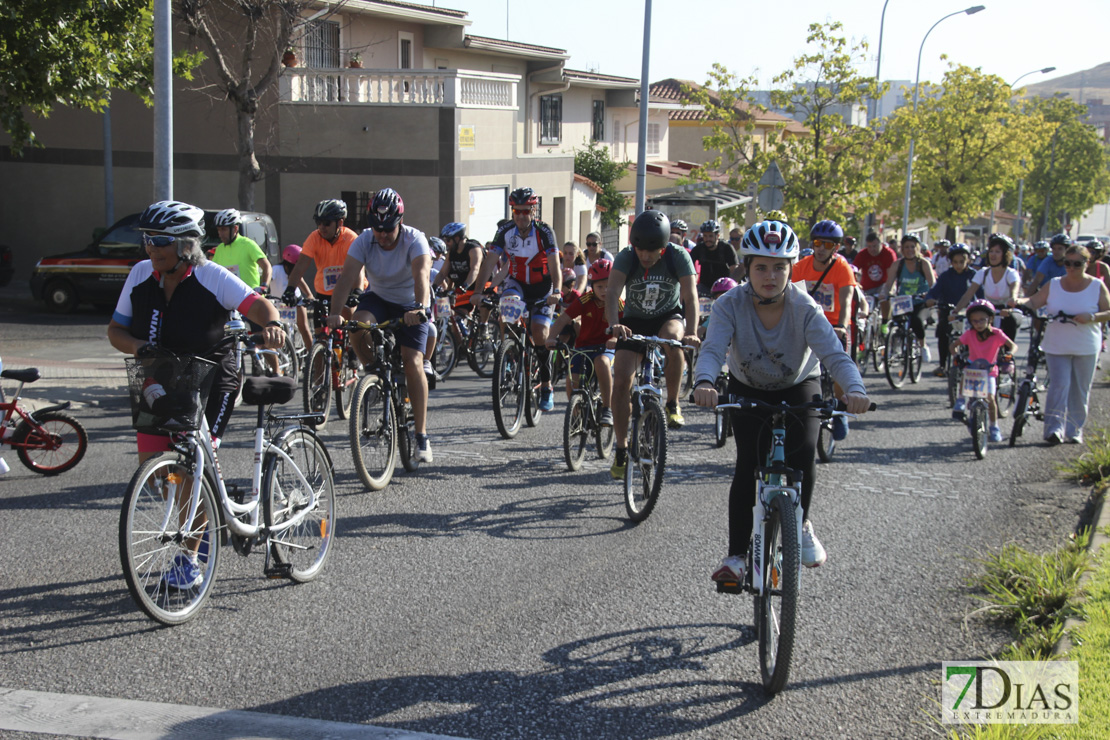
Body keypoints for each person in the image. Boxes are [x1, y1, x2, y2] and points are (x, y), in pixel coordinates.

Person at [107, 200, 286, 589]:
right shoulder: (140, 275)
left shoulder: (212, 277)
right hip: (162, 373)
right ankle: (206, 507)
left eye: (160, 241)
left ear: (186, 244)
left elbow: (257, 305)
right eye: (147, 240)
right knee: (157, 473)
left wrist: (271, 324)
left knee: (192, 463)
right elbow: (115, 331)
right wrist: (138, 346)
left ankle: (191, 556)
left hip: (215, 374)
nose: (151, 248)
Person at [692, 220, 870, 583]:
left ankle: (800, 522)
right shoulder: (729, 304)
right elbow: (712, 348)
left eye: (779, 267)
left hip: (798, 383)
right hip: (748, 388)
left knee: (804, 450)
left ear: (791, 269)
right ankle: (737, 558)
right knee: (748, 465)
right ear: (747, 268)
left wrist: (855, 390)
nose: (770, 276)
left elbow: (835, 356)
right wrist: (705, 381)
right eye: (761, 267)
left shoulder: (805, 307)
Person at [327, 188, 434, 463]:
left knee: (413, 361)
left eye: (388, 229)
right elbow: (345, 278)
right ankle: (373, 373)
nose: (383, 235)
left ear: (399, 222)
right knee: (356, 325)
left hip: (411, 301)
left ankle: (421, 434)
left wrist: (419, 309)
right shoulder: (364, 241)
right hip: (379, 298)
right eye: (377, 229)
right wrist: (335, 313)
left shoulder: (415, 240)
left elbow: (422, 276)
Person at [605, 210, 699, 477]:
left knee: (674, 339)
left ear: (665, 246)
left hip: (667, 316)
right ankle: (621, 449)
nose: (645, 256)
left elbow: (690, 298)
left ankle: (671, 403)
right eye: (641, 250)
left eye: (652, 251)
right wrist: (615, 324)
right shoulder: (627, 256)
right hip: (633, 320)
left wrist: (691, 331)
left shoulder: (678, 256)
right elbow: (612, 293)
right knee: (621, 379)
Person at [469, 187, 562, 412]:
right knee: (507, 311)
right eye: (516, 211)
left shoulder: (544, 231)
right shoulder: (505, 231)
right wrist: (478, 291)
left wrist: (557, 291)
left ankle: (547, 386)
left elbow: (555, 265)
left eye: (525, 211)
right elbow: (489, 262)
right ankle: (509, 354)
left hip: (542, 288)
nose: (521, 216)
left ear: (533, 210)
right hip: (517, 284)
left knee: (540, 333)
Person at [1011, 243, 1110, 445]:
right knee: (1059, 385)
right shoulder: (1054, 284)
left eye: (1077, 264)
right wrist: (1016, 303)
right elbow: (1034, 301)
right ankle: (1054, 429)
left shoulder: (1096, 286)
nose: (1071, 268)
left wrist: (1091, 317)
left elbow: (1108, 312)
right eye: (1067, 263)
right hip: (1057, 344)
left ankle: (1074, 430)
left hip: (1086, 345)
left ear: (1086, 263)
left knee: (1080, 389)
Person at [791, 219, 857, 441]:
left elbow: (847, 301)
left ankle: (839, 409)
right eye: (818, 243)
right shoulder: (801, 266)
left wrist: (842, 326)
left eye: (827, 245)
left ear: (835, 248)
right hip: (806, 322)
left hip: (833, 324)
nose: (821, 249)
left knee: (839, 364)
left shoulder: (842, 268)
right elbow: (789, 296)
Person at [546, 259, 619, 423]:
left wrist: (614, 338)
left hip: (606, 347)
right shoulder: (585, 300)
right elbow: (563, 319)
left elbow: (622, 327)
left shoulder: (618, 303)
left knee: (601, 362)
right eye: (600, 287)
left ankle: (607, 409)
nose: (604, 291)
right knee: (572, 382)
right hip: (583, 347)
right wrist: (551, 337)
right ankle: (577, 414)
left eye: (608, 286)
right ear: (592, 286)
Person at [282, 199, 365, 318]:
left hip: (349, 290)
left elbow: (358, 268)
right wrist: (290, 289)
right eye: (318, 222)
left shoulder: (351, 239)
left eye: (326, 223)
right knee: (319, 332)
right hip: (324, 292)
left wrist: (357, 291)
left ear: (340, 223)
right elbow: (300, 266)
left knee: (351, 324)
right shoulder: (314, 238)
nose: (322, 227)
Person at [950, 300, 1016, 442]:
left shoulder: (997, 334)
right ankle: (960, 401)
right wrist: (956, 356)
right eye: (974, 321)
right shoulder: (969, 334)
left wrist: (1008, 354)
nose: (978, 324)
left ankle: (994, 426)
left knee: (990, 398)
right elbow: (953, 345)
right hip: (973, 369)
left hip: (989, 370)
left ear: (990, 319)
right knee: (965, 374)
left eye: (982, 320)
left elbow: (1012, 345)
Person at [955, 233, 1022, 341]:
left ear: (1005, 254)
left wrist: (1012, 301)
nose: (993, 255)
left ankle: (1008, 354)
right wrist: (956, 311)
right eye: (991, 251)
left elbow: (1015, 288)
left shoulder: (1011, 273)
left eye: (997, 252)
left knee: (1011, 320)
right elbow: (968, 295)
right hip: (988, 310)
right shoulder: (983, 272)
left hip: (1007, 310)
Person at [924, 244, 978, 376]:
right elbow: (934, 292)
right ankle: (943, 365)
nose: (958, 265)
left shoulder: (974, 275)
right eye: (955, 262)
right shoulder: (945, 276)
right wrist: (930, 299)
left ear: (968, 260)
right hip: (948, 311)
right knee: (943, 331)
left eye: (962, 262)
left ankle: (975, 361)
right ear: (950, 262)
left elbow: (981, 294)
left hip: (969, 312)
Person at [432, 222, 486, 347]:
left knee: (462, 312)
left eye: (448, 240)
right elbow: (442, 274)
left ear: (457, 238)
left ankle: (483, 326)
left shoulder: (473, 249)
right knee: (449, 314)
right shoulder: (452, 252)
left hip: (479, 285)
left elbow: (475, 270)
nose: (446, 243)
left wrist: (465, 286)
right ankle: (460, 343)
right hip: (461, 288)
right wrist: (433, 287)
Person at [881, 234, 936, 354]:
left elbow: (933, 285)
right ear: (902, 249)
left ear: (918, 248)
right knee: (895, 322)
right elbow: (888, 284)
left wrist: (928, 295)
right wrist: (886, 294)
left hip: (920, 302)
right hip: (903, 301)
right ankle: (893, 347)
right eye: (906, 247)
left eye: (912, 247)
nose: (909, 250)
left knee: (916, 321)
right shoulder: (898, 264)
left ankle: (923, 346)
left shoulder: (924, 264)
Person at [210, 208, 272, 291]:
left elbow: (266, 266)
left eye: (223, 229)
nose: (220, 233)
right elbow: (212, 274)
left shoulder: (248, 244)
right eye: (218, 229)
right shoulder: (219, 249)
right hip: (229, 299)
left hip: (250, 297)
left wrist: (264, 286)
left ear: (235, 229)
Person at [268, 244, 314, 352]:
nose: (296, 271)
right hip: (278, 303)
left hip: (295, 301)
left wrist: (309, 295)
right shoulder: (276, 269)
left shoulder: (295, 273)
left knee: (304, 328)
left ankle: (312, 357)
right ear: (287, 264)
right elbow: (269, 278)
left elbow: (301, 282)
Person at [690, 219, 742, 294]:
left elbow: (734, 269)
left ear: (717, 236)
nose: (708, 239)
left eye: (710, 236)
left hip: (723, 287)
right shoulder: (699, 248)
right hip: (704, 287)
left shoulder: (727, 248)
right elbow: (689, 267)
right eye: (705, 236)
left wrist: (730, 287)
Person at [852, 231, 897, 308]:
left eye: (874, 246)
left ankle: (885, 319)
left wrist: (887, 291)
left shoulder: (888, 254)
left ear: (881, 244)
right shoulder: (862, 254)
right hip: (866, 288)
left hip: (883, 286)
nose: (872, 249)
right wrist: (856, 284)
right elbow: (853, 271)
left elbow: (891, 276)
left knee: (886, 295)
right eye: (869, 246)